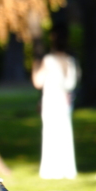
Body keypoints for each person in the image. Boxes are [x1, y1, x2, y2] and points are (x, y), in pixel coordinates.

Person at [32, 24, 78, 179]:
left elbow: (38, 82)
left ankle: (52, 170)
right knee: (65, 134)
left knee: (51, 134)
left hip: (51, 102)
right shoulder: (70, 61)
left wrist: (35, 66)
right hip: (65, 103)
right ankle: (67, 169)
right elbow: (71, 84)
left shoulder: (49, 60)